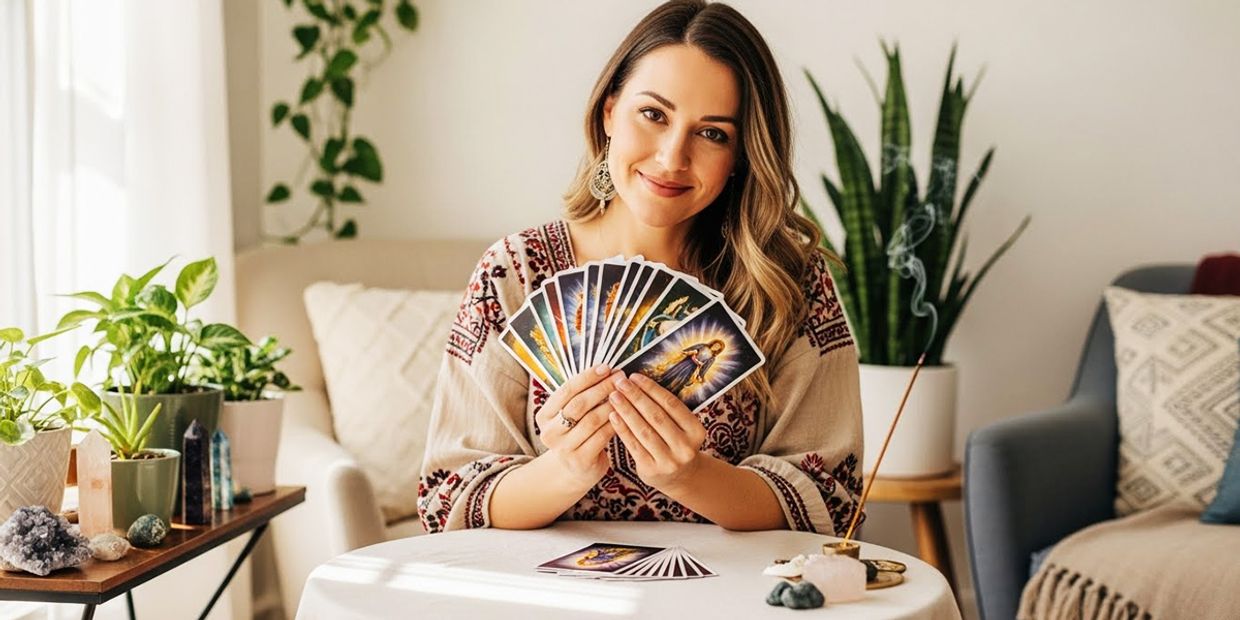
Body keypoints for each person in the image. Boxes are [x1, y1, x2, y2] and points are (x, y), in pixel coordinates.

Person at [418, 0, 863, 535]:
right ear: (609, 113)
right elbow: (448, 501)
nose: (673, 157)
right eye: (653, 115)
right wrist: (566, 468)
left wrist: (691, 476)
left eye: (713, 133)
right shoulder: (514, 274)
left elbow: (832, 500)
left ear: (742, 152)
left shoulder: (787, 283)